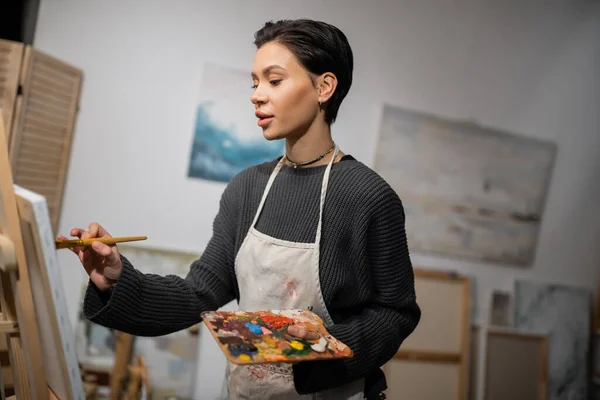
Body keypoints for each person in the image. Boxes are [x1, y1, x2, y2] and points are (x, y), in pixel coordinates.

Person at [60, 18, 421, 400]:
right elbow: (200, 292)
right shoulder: (246, 188)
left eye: (274, 80)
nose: (256, 95)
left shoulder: (369, 196)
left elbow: (397, 313)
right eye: (254, 82)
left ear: (324, 87)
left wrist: (323, 345)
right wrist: (116, 280)